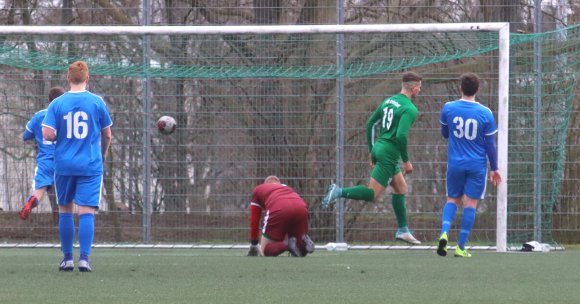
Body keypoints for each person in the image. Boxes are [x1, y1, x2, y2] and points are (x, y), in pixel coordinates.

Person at [322, 72, 423, 245]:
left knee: (401, 188)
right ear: (414, 88)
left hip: (379, 148)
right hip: (389, 153)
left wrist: (371, 151)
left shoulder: (389, 101)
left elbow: (370, 124)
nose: (420, 90)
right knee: (372, 195)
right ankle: (338, 191)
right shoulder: (410, 109)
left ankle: (403, 230)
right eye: (420, 87)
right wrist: (406, 161)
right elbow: (400, 136)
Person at [42, 61, 113, 272]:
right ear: (87, 78)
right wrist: (102, 152)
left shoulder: (57, 104)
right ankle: (84, 258)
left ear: (68, 78)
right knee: (86, 211)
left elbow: (47, 133)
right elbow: (107, 134)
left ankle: (67, 259)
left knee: (65, 209)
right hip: (90, 165)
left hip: (64, 164)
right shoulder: (97, 102)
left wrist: (57, 136)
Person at [436, 72, 502, 258]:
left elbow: (445, 133)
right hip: (476, 166)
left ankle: (444, 233)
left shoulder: (448, 108)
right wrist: (495, 168)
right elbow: (490, 145)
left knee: (452, 200)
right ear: (477, 89)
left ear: (460, 88)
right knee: (470, 204)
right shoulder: (485, 113)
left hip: (455, 163)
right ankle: (461, 247)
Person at [20, 86, 65, 220]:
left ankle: (31, 201)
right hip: (65, 159)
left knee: (40, 189)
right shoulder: (68, 116)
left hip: (46, 160)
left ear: (48, 99)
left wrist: (37, 135)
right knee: (67, 195)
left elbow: (26, 135)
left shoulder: (39, 115)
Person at [247, 175, 315, 257]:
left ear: (265, 184)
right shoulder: (287, 188)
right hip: (301, 207)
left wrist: (254, 243)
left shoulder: (259, 189)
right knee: (299, 249)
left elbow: (254, 221)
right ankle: (303, 244)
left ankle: (287, 245)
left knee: (265, 250)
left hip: (279, 207)